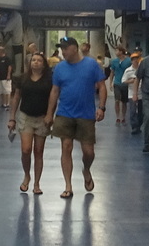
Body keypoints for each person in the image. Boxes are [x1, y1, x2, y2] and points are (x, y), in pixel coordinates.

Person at [45, 35, 106, 197]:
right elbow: (55, 91)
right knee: (66, 147)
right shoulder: (59, 68)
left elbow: (102, 86)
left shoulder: (91, 65)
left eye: (65, 48)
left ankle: (86, 170)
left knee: (88, 152)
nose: (63, 52)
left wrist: (101, 107)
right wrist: (49, 114)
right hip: (65, 113)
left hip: (86, 115)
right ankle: (68, 186)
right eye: (61, 49)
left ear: (74, 48)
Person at [8, 51, 52, 194]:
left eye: (39, 60)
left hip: (42, 118)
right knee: (26, 150)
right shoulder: (23, 79)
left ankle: (37, 183)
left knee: (38, 152)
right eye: (33, 60)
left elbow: (54, 98)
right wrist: (12, 117)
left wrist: (50, 115)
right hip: (25, 117)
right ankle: (27, 175)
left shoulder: (49, 80)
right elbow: (16, 97)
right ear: (30, 63)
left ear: (44, 64)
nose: (36, 62)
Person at [108, 46, 131, 126]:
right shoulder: (114, 61)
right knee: (117, 100)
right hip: (117, 83)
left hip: (125, 83)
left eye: (117, 50)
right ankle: (118, 116)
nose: (115, 52)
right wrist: (111, 82)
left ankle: (123, 116)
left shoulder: (128, 61)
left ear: (121, 51)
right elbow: (112, 72)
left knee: (124, 101)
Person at [124, 51, 144, 135]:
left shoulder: (142, 69)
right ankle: (134, 126)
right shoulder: (128, 71)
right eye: (134, 59)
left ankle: (139, 125)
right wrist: (131, 81)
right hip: (131, 93)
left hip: (141, 93)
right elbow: (124, 81)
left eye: (137, 59)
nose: (135, 61)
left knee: (141, 111)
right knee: (132, 111)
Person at [0, 46, 13, 125]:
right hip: (0, 77)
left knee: (7, 90)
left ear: (1, 51)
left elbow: (10, 67)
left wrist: (8, 75)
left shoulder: (7, 59)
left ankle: (7, 104)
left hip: (6, 77)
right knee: (1, 91)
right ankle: (3, 103)